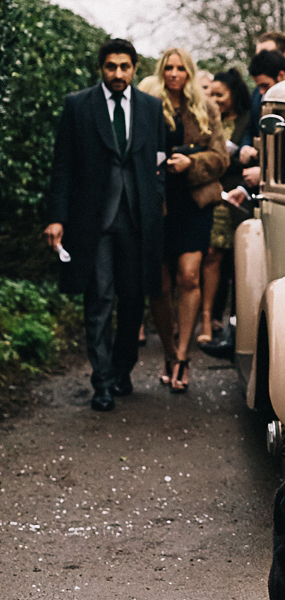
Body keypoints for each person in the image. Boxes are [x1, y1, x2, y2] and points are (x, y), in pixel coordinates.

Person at [44, 38, 166, 411]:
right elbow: (62, 165)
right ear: (101, 68)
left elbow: (159, 161)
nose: (117, 74)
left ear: (134, 68)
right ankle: (101, 382)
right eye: (111, 66)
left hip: (137, 218)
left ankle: (121, 370)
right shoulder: (78, 105)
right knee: (98, 298)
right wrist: (56, 217)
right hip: (93, 220)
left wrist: (156, 201)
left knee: (133, 298)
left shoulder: (150, 107)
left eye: (124, 67)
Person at [150, 47, 229, 392]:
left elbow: (221, 158)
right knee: (160, 284)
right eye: (168, 68)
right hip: (158, 203)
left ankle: (183, 356)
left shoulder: (205, 108)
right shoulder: (149, 105)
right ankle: (168, 350)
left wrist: (191, 164)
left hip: (195, 203)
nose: (174, 74)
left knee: (189, 277)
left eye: (180, 69)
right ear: (161, 71)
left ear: (189, 72)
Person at [198, 68, 251, 343]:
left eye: (220, 94)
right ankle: (208, 318)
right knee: (211, 256)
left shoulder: (246, 120)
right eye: (212, 94)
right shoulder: (207, 120)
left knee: (235, 260)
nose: (215, 99)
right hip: (211, 196)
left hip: (236, 196)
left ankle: (228, 318)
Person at [235, 48, 285, 195]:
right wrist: (246, 147)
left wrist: (265, 173)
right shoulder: (257, 95)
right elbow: (251, 129)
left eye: (265, 85)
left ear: (282, 76)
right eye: (258, 86)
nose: (261, 92)